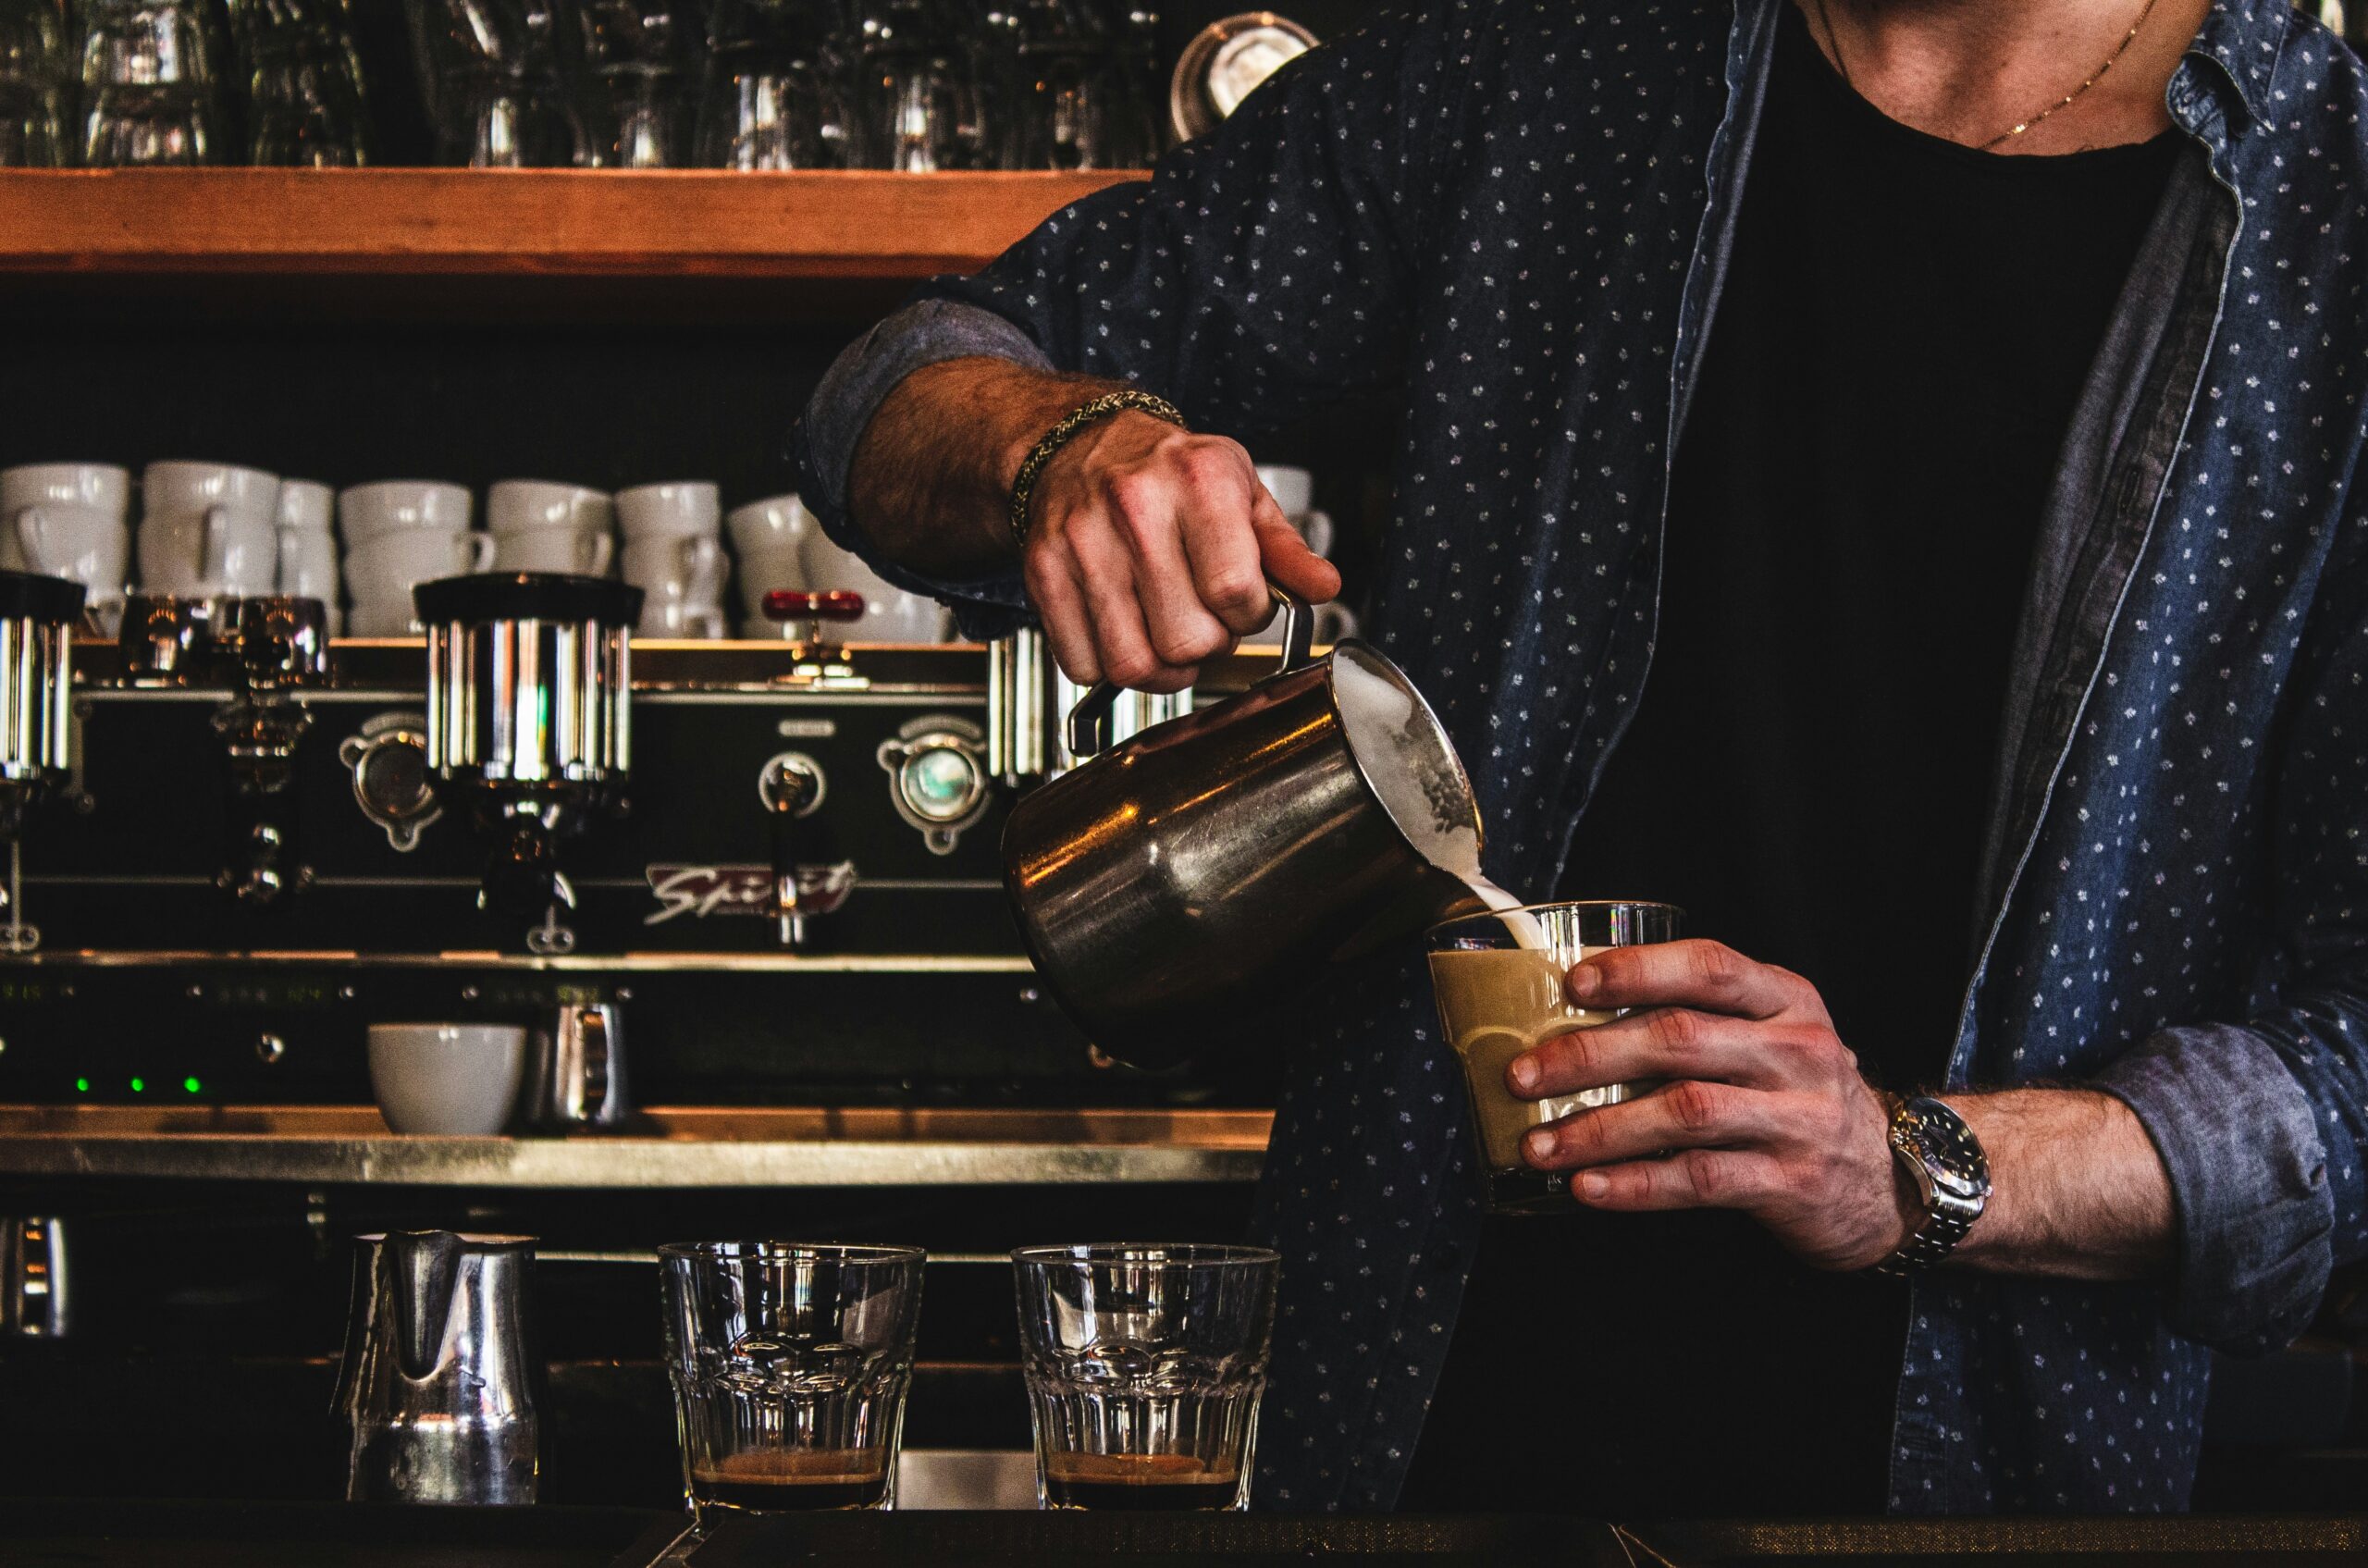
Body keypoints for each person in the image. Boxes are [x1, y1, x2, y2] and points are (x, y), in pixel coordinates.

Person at [794, 0, 2368, 1516]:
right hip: (1397, 1437)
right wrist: (1055, 444)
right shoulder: (1539, 78)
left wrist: (1908, 1168)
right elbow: (886, 393)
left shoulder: (2331, 208)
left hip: (1976, 1475)